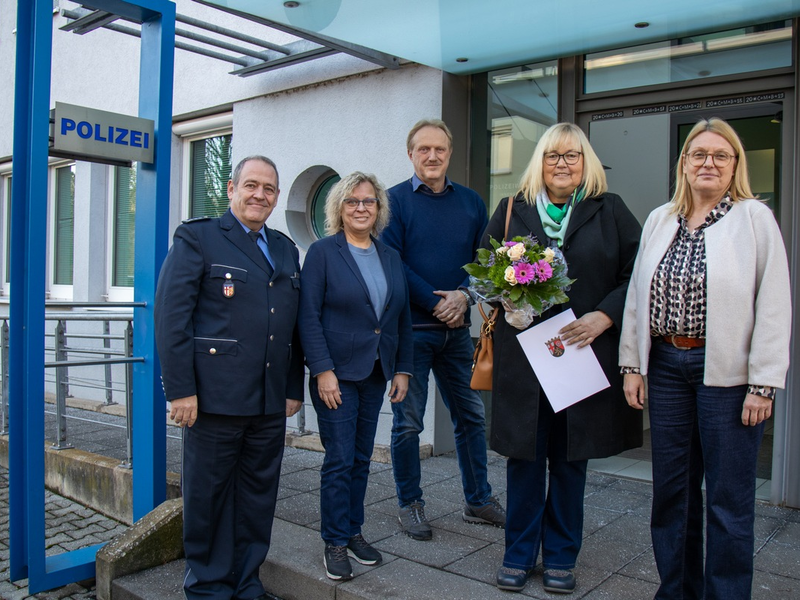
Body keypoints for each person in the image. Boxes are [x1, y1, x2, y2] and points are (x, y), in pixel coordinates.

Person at [619, 117, 791, 600]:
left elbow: (774, 302)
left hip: (729, 378)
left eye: (720, 155)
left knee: (729, 500)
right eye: (699, 154)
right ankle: (676, 591)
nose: (708, 163)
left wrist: (763, 382)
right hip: (669, 368)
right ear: (684, 164)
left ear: (735, 164)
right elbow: (638, 294)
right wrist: (634, 365)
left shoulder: (754, 217)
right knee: (672, 495)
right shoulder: (660, 218)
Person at [486, 123, 643, 594]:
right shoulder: (512, 209)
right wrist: (505, 301)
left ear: (585, 162)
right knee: (525, 459)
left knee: (572, 461)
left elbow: (637, 272)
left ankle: (560, 557)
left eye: (572, 156)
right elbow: (484, 269)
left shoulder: (609, 210)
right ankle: (518, 554)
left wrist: (604, 317)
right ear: (540, 161)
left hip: (580, 353)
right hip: (525, 360)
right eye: (553, 155)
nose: (561, 163)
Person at [154, 156, 304, 600]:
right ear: (231, 188)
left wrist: (293, 387)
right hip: (213, 399)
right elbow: (171, 318)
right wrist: (181, 390)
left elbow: (289, 324)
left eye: (269, 189)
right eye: (252, 185)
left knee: (259, 497)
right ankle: (208, 588)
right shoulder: (197, 237)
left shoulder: (283, 248)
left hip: (268, 400)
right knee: (210, 498)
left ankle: (246, 583)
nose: (260, 195)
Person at [381, 118, 505, 541]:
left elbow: (486, 262)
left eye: (440, 149)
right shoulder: (392, 202)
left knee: (471, 416)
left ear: (449, 153)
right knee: (408, 425)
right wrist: (438, 302)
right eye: (423, 150)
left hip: (455, 334)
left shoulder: (471, 203)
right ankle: (410, 503)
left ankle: (478, 500)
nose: (432, 156)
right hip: (410, 334)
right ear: (410, 153)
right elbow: (393, 264)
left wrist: (465, 297)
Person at [298, 172, 413, 581]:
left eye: (368, 201)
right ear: (339, 209)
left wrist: (402, 368)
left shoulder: (390, 256)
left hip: (377, 371)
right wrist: (323, 371)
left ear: (379, 208)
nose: (361, 208)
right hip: (337, 375)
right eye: (352, 201)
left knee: (362, 458)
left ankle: (353, 531)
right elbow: (307, 316)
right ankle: (333, 540)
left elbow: (400, 317)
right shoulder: (323, 253)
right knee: (340, 458)